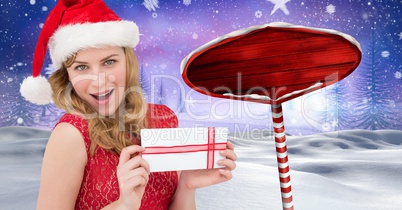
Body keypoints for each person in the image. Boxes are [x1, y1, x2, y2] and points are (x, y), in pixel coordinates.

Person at [19, 0, 237, 209]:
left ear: (128, 62)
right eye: (81, 67)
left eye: (109, 62)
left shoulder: (164, 119)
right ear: (67, 76)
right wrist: (124, 205)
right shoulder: (71, 135)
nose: (98, 80)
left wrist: (187, 187)